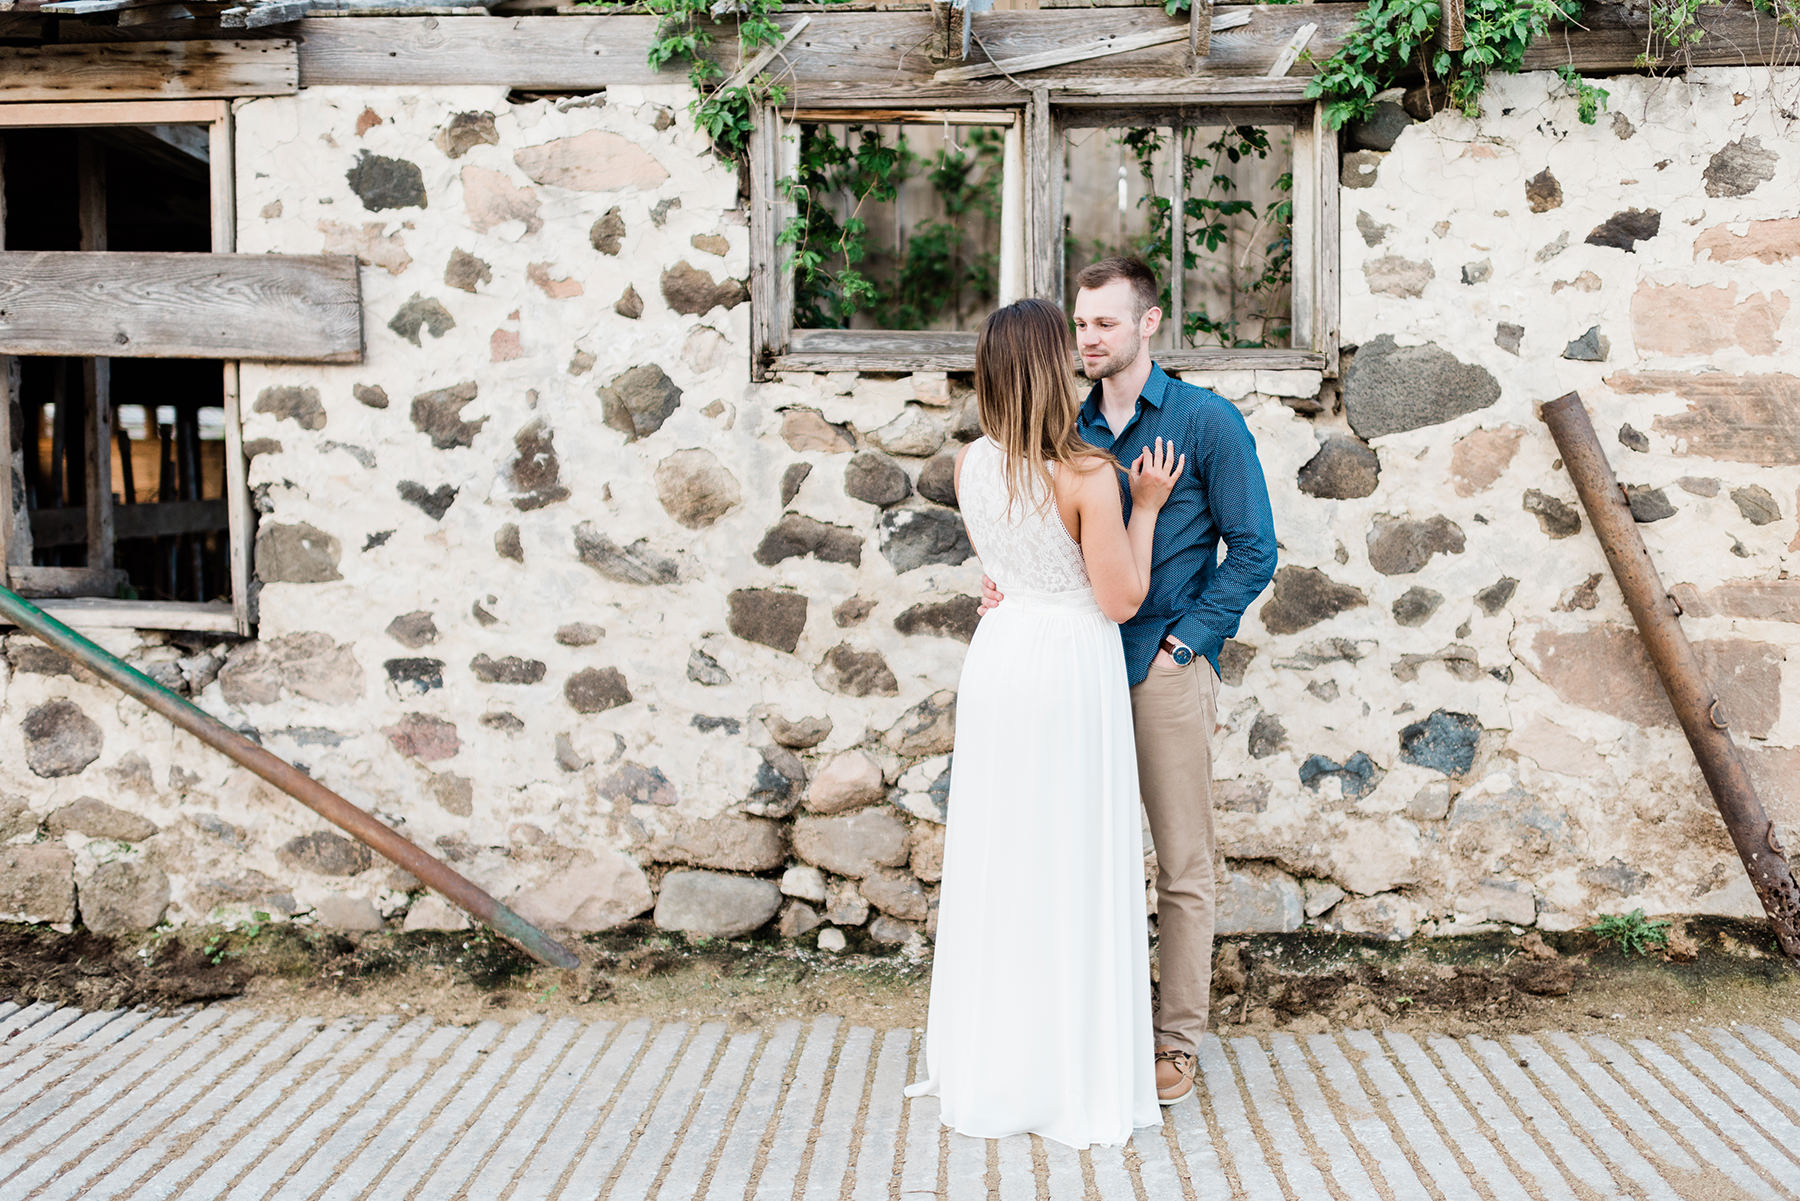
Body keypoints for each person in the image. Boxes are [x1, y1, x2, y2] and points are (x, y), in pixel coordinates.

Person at [984, 257, 1278, 1106]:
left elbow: (1253, 547)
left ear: (1150, 323)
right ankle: (1095, 1030)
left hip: (1157, 674)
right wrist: (1003, 578)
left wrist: (1185, 644)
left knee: (1182, 864)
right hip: (1072, 676)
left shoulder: (1205, 422)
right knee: (1083, 859)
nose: (1087, 339)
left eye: (1105, 323)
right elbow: (1037, 528)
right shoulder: (1060, 424)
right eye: (1079, 324)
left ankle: (1177, 1042)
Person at [904, 297, 1183, 1149]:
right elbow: (1121, 597)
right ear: (1051, 367)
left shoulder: (968, 467)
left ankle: (999, 1060)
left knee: (1005, 859)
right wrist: (1146, 506)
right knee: (1069, 857)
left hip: (1001, 656)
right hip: (1067, 664)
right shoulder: (1091, 473)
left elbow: (1003, 565)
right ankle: (1069, 1067)